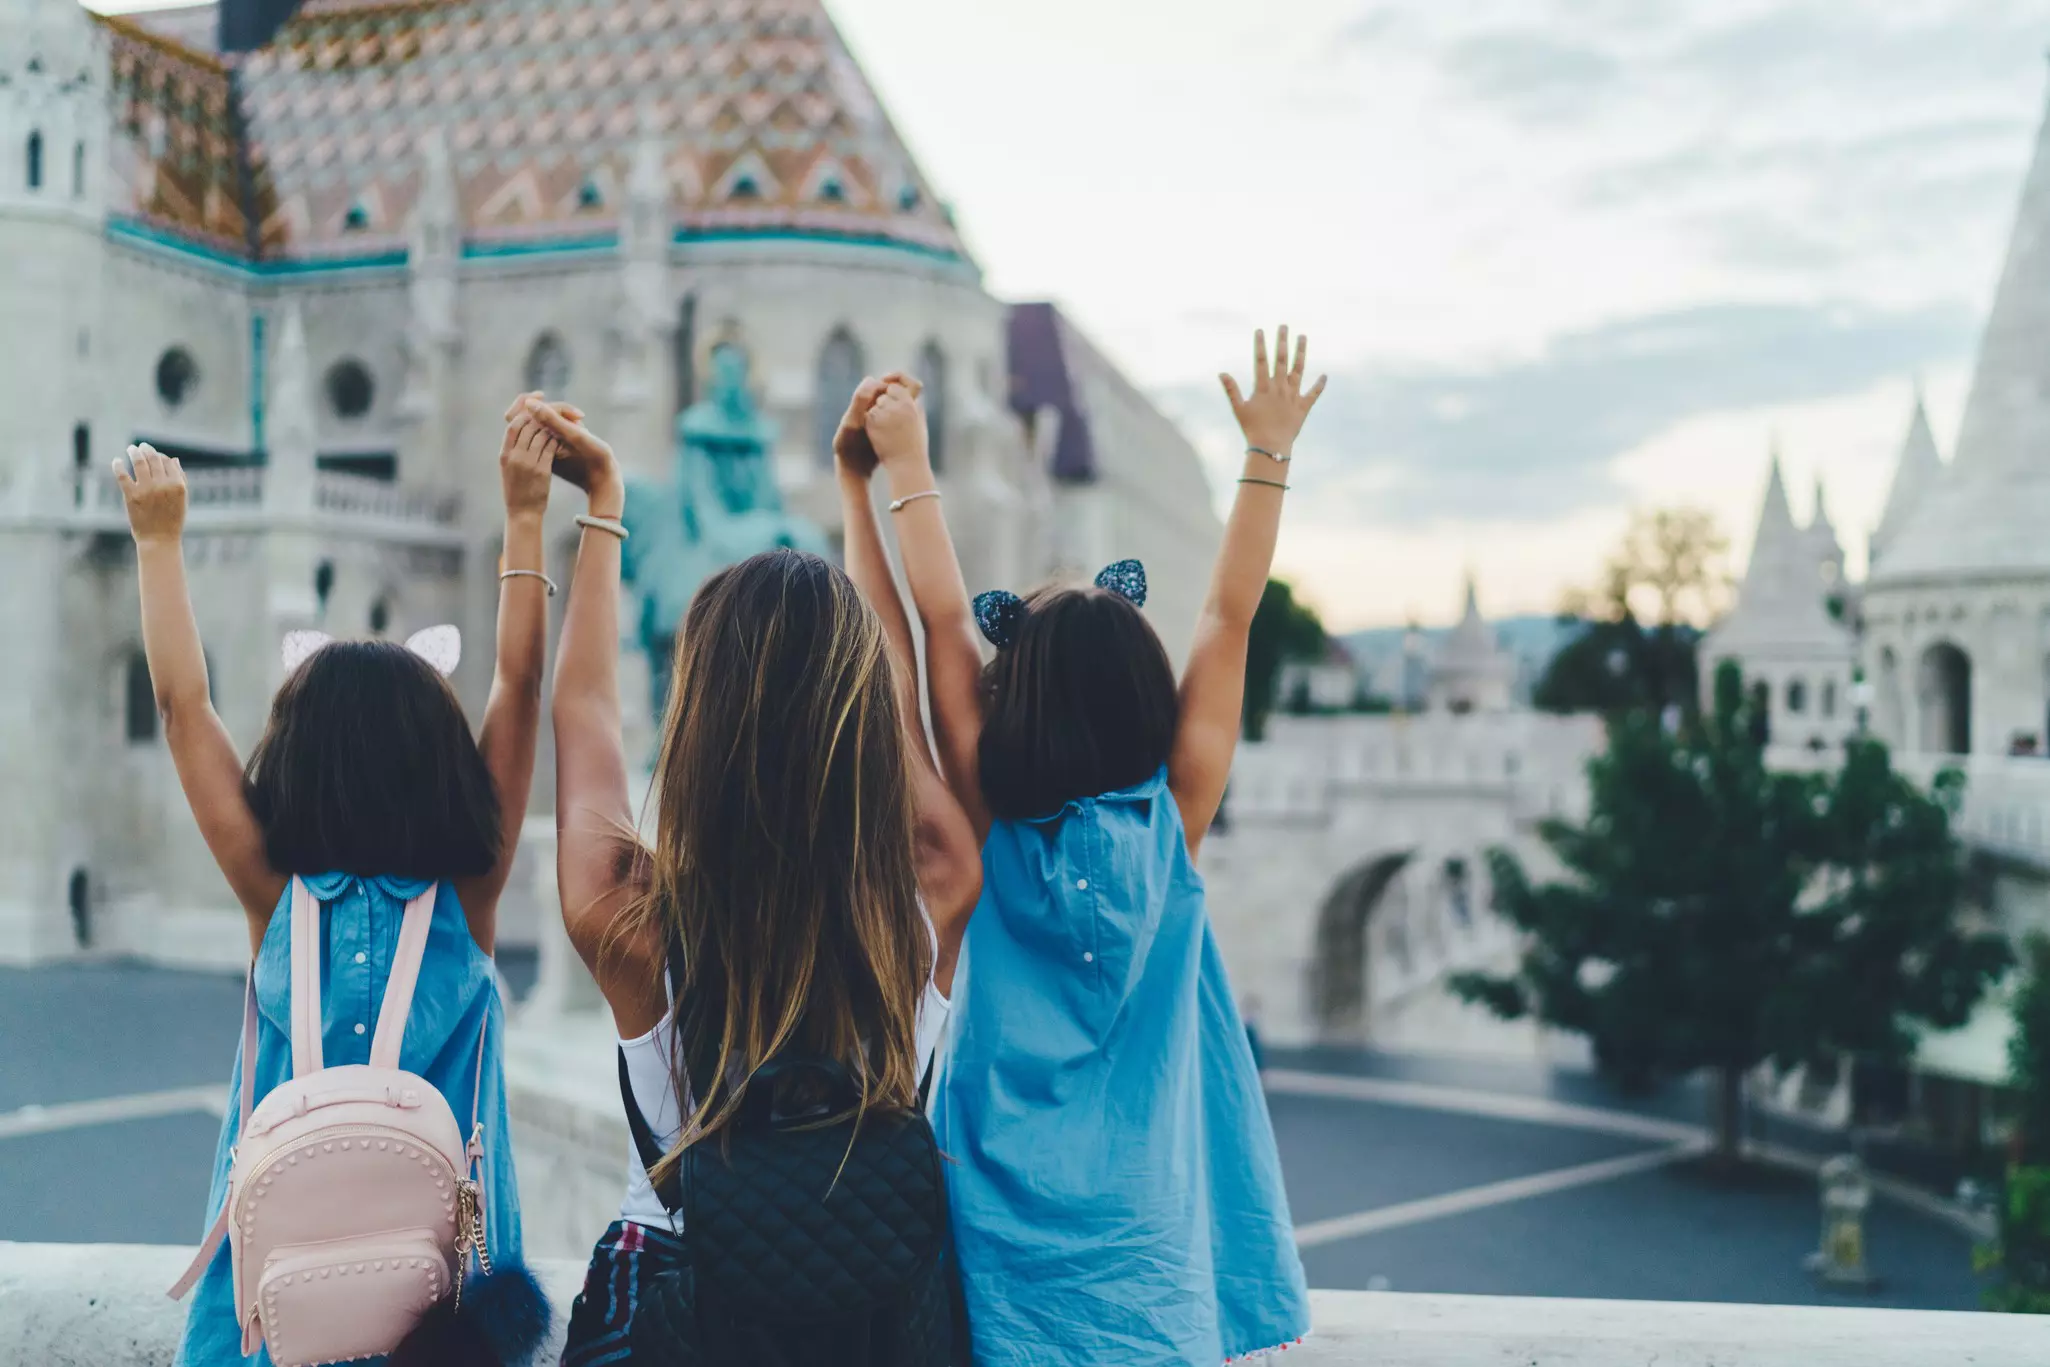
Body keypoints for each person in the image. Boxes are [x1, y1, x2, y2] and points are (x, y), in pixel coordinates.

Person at [874, 328, 1325, 1364]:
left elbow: (943, 623)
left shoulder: (985, 825)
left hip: (1000, 1243)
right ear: (1144, 695)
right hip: (1151, 1254)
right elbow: (1227, 611)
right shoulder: (1175, 822)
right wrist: (1266, 453)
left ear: (1011, 697)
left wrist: (905, 462)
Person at [529, 390, 982, 1364]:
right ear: (862, 721)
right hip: (873, 1301)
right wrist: (857, 495)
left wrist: (602, 504)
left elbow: (586, 712)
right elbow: (902, 696)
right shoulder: (930, 888)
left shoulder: (628, 911)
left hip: (679, 1291)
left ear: (699, 717)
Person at [118, 406, 558, 1365]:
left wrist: (159, 542)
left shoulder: (272, 897)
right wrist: (524, 515)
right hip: (446, 1319)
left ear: (298, 759)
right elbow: (520, 687)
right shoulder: (467, 895)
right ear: (440, 763)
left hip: (275, 1311)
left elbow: (181, 707)